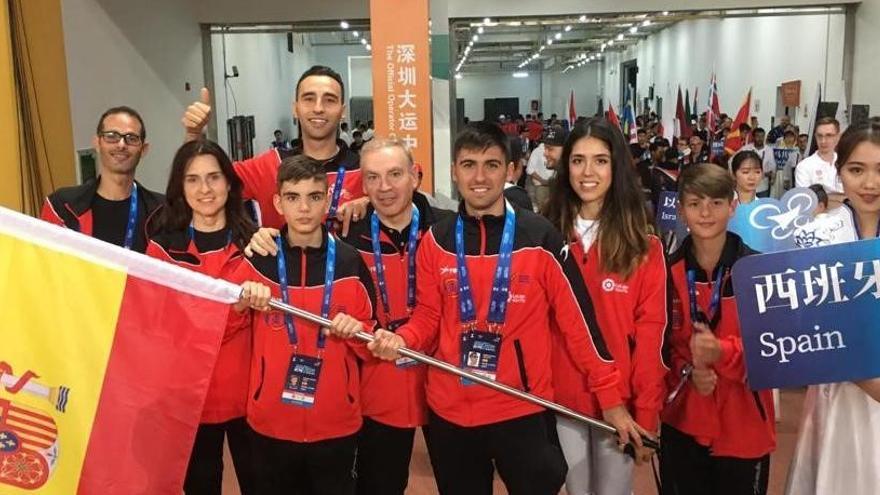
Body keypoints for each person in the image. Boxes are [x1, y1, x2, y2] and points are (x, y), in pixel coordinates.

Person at [333, 122, 645, 495]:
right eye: (468, 165)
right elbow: (429, 316)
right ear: (454, 171)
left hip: (523, 409)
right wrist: (401, 339)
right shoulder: (438, 240)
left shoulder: (540, 237)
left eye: (491, 165)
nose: (479, 177)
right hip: (451, 414)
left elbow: (580, 327)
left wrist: (611, 401)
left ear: (510, 170)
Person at [244, 138, 450, 495]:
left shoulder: (446, 231)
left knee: (459, 481)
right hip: (377, 386)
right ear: (363, 185)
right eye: (373, 178)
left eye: (395, 174)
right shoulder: (345, 232)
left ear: (415, 176)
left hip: (441, 378)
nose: (384, 187)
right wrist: (257, 236)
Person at [232, 155, 376, 494]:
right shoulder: (258, 259)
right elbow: (221, 326)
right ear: (278, 203)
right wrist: (240, 302)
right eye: (293, 197)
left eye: (314, 197)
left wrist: (354, 331)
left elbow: (371, 342)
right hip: (270, 422)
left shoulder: (349, 261)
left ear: (327, 201)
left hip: (335, 423)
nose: (304, 208)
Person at [544, 118, 666, 495]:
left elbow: (651, 336)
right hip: (561, 401)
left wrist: (645, 413)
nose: (587, 172)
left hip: (621, 407)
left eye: (600, 160)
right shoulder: (545, 237)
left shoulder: (644, 248)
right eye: (578, 160)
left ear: (616, 167)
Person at [146, 139, 263, 494]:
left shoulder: (258, 245)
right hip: (191, 397)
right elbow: (163, 323)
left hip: (251, 396)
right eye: (193, 179)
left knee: (261, 484)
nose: (205, 189)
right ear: (180, 188)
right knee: (199, 485)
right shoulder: (162, 249)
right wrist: (236, 309)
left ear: (230, 183)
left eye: (213, 177)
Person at [660, 164, 775, 495]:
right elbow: (660, 349)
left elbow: (773, 352)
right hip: (684, 421)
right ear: (681, 210)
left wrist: (722, 353)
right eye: (695, 204)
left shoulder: (759, 272)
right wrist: (687, 370)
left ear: (733, 205)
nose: (706, 213)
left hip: (744, 427)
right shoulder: (666, 273)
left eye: (716, 202)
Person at [787, 119, 880, 495]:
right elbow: (804, 323)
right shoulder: (817, 235)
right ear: (839, 173)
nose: (870, 183)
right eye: (857, 170)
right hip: (836, 393)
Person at [182, 65, 370, 233]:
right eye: (309, 99)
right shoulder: (268, 165)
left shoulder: (365, 170)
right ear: (295, 108)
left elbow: (396, 203)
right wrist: (193, 135)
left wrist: (372, 204)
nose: (318, 108)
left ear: (342, 111)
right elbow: (201, 186)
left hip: (348, 271)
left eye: (329, 100)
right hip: (276, 271)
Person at [41, 106, 164, 253]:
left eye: (132, 138)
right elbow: (43, 263)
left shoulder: (162, 211)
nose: (121, 144)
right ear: (97, 143)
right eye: (112, 136)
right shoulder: (62, 206)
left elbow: (181, 266)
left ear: (143, 149)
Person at [795, 117, 845, 204]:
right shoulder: (804, 166)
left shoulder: (846, 162)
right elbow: (806, 201)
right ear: (815, 137)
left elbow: (856, 196)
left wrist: (823, 196)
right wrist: (843, 198)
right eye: (820, 136)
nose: (823, 141)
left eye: (829, 135)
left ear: (838, 137)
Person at [526, 125, 565, 212]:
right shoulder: (560, 180)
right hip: (542, 187)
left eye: (550, 149)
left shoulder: (571, 183)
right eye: (545, 148)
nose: (545, 153)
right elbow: (530, 170)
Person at [737, 127, 771, 197]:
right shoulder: (746, 148)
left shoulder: (769, 150)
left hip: (763, 187)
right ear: (753, 137)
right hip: (747, 186)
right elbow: (733, 161)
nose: (760, 139)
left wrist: (767, 173)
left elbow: (772, 169)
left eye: (762, 136)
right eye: (758, 136)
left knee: (762, 207)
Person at [769, 128, 801, 198]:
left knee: (788, 196)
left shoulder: (797, 150)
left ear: (794, 138)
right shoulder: (779, 150)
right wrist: (773, 176)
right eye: (787, 137)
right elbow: (774, 164)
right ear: (784, 139)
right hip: (779, 175)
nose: (789, 139)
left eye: (791, 137)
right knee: (776, 195)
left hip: (791, 175)